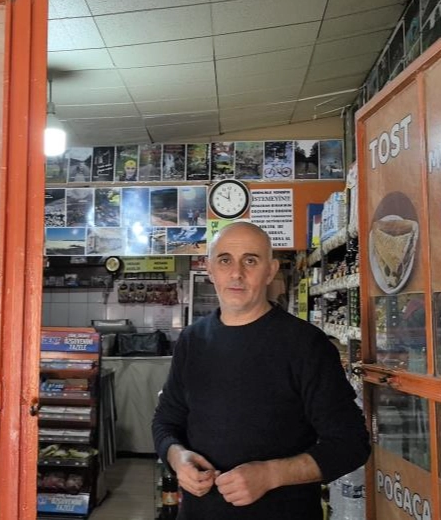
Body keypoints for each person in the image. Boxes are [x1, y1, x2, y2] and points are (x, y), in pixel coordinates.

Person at [152, 222, 369, 519]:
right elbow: (165, 422)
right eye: (225, 260)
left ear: (270, 271)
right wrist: (178, 457)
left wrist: (271, 475)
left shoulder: (306, 345)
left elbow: (351, 444)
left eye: (250, 261)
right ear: (210, 269)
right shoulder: (192, 341)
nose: (236, 273)